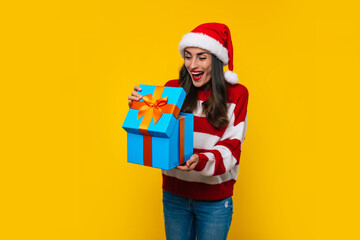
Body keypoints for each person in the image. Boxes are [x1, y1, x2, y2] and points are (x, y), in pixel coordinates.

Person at [128, 23, 248, 240]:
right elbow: (158, 132)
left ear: (217, 59)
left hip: (214, 201)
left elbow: (232, 148)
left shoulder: (237, 94)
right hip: (174, 196)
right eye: (188, 56)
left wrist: (200, 160)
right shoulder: (171, 89)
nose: (193, 64)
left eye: (201, 57)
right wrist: (139, 107)